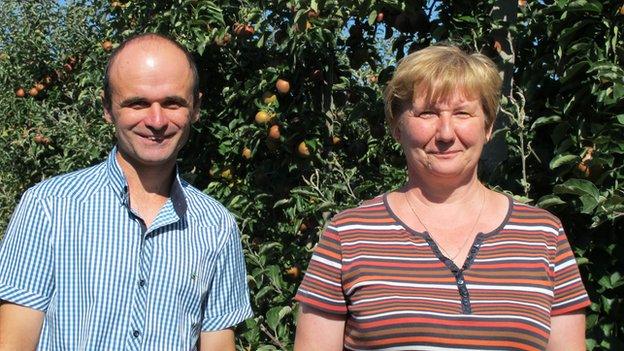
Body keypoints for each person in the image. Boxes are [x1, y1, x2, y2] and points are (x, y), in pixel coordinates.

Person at [294, 45, 590, 351]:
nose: (446, 133)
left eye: (463, 113)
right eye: (428, 113)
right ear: (397, 126)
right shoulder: (348, 235)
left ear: (488, 126)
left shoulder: (543, 235)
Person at [0, 33, 253, 350]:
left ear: (196, 108)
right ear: (107, 108)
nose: (157, 120)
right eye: (138, 103)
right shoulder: (50, 207)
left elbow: (217, 343)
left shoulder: (216, 226)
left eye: (173, 103)